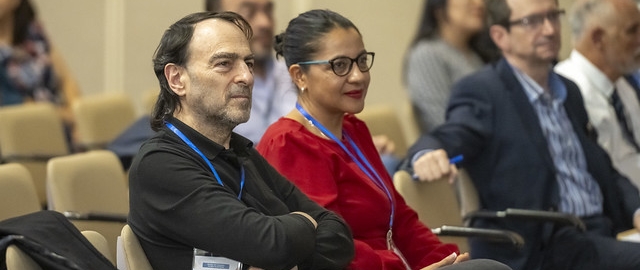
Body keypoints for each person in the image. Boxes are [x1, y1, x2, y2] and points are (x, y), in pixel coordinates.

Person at [257, 9, 511, 270]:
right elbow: (327, 248)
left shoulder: (353, 129)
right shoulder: (290, 143)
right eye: (340, 65)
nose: (358, 76)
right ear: (299, 75)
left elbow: (400, 217)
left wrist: (443, 260)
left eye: (361, 60)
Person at [407, 0, 640, 269]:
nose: (550, 29)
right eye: (532, 21)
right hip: (545, 242)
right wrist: (426, 154)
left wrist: (636, 209)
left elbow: (603, 167)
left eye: (553, 16)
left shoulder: (568, 90)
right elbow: (448, 135)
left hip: (600, 231)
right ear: (500, 36)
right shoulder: (484, 92)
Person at [127, 11, 354, 270]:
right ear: (177, 79)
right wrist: (304, 224)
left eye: (248, 62)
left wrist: (287, 255)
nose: (246, 77)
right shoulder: (159, 165)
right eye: (224, 63)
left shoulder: (240, 151)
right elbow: (271, 245)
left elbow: (339, 234)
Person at [554, 0, 640, 189]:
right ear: (598, 38)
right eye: (633, 31)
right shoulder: (564, 91)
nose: (639, 39)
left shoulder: (623, 85)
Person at [204, 0, 297, 144]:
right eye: (249, 12)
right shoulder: (204, 90)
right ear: (214, 21)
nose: (265, 23)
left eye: (268, 11)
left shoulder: (297, 75)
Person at [0, 0, 80, 144]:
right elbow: (19, 105)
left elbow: (66, 79)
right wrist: (66, 116)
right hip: (24, 135)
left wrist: (78, 116)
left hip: (61, 126)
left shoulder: (33, 32)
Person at [405, 0, 488, 134]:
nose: (479, 3)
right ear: (438, 7)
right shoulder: (427, 54)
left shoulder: (476, 55)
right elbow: (443, 123)